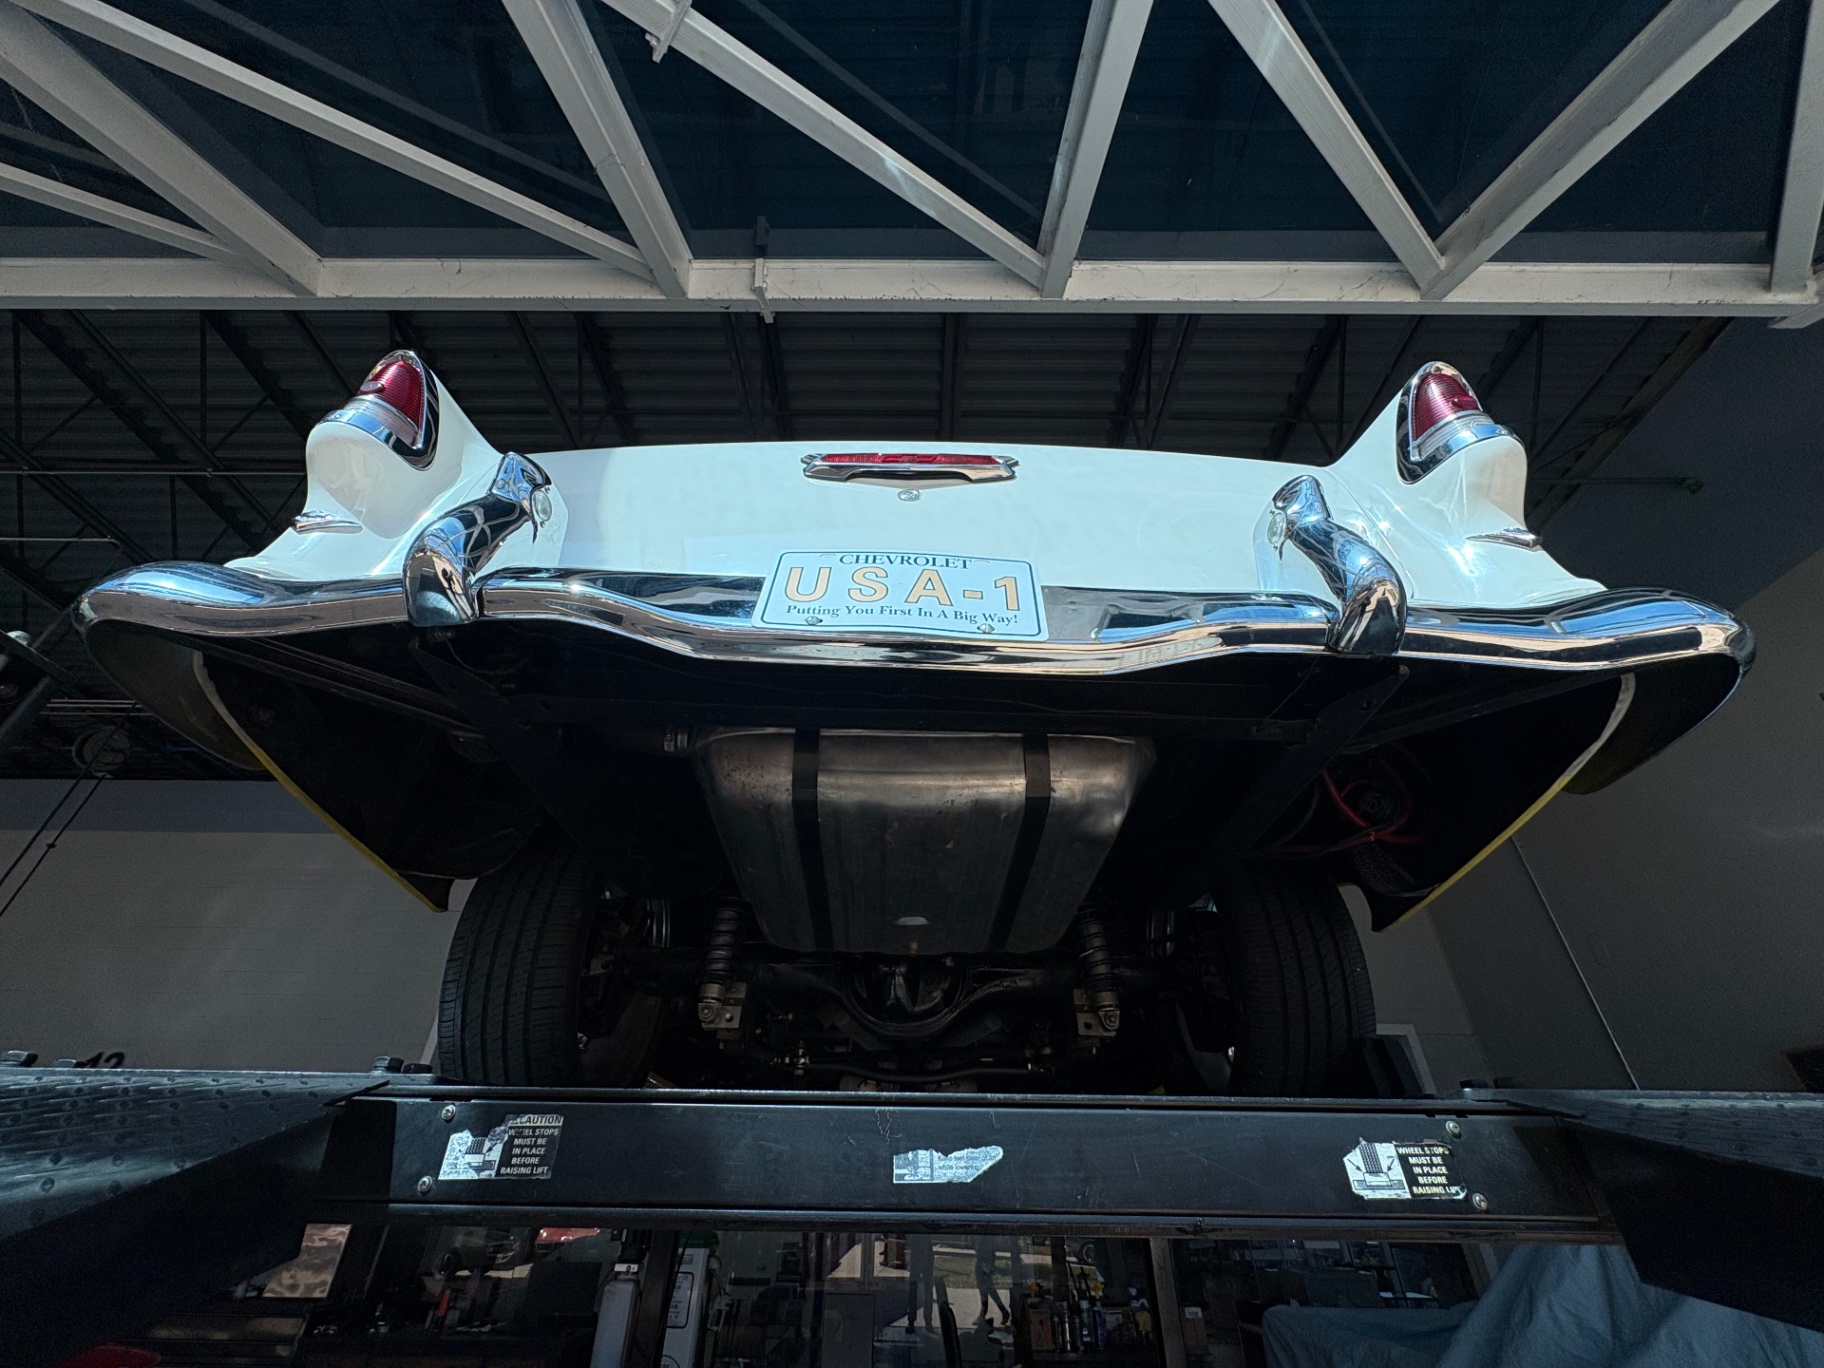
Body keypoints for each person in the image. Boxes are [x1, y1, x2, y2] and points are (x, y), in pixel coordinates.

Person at [973, 1236, 1010, 1326]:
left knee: (988, 1288)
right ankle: (984, 1313)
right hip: (982, 1259)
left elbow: (987, 1247)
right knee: (984, 1288)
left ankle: (989, 1312)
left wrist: (988, 1262)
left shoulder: (985, 1237)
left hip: (984, 1260)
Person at [905, 1236, 936, 1333]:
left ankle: (925, 1321)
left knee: (923, 1289)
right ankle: (916, 1321)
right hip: (919, 1253)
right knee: (915, 1289)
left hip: (923, 1253)